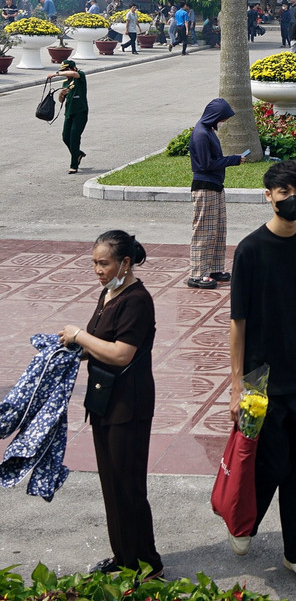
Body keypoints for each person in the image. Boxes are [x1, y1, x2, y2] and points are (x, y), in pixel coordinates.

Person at [228, 160, 296, 586]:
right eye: (284, 192)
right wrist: (236, 382)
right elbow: (237, 320)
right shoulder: (250, 250)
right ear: (268, 196)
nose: (292, 198)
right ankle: (243, 522)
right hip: (261, 378)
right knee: (264, 463)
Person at [56, 230, 162, 578]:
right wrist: (68, 348)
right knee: (112, 485)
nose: (97, 269)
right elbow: (98, 343)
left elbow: (121, 353)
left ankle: (148, 564)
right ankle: (124, 556)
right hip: (105, 401)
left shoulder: (137, 300)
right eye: (94, 263)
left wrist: (80, 336)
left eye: (104, 263)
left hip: (129, 405)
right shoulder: (110, 293)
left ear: (125, 263)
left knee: (128, 485)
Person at [187, 99, 247, 290]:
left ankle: (213, 268)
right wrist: (234, 160)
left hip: (215, 186)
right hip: (204, 187)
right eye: (222, 118)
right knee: (204, 231)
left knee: (218, 231)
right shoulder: (201, 134)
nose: (223, 122)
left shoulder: (209, 131)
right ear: (215, 116)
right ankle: (197, 273)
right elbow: (206, 164)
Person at [51, 60, 87, 174]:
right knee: (66, 137)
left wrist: (55, 74)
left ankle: (74, 165)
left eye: (66, 70)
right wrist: (61, 94)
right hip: (69, 113)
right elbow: (61, 100)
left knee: (74, 137)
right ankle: (78, 153)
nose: (65, 73)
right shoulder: (65, 83)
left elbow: (74, 74)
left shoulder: (80, 76)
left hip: (80, 112)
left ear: (73, 68)